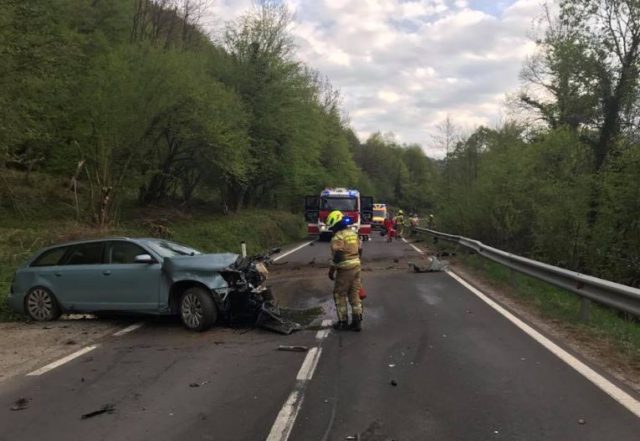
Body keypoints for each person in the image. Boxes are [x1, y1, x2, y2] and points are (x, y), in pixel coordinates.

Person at [326, 210, 363, 331]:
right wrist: (356, 260)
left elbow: (338, 256)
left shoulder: (338, 237)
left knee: (339, 294)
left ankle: (343, 321)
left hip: (345, 269)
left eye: (332, 226)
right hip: (357, 266)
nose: (332, 229)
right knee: (354, 294)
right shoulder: (353, 233)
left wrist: (332, 270)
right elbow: (360, 249)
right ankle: (357, 321)